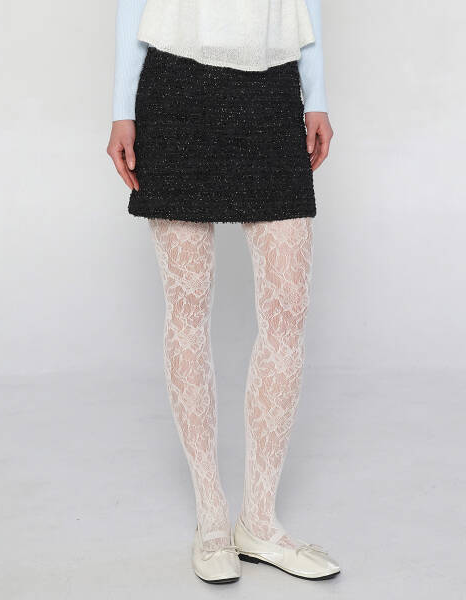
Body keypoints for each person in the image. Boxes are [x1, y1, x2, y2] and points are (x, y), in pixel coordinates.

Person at [107, 0, 339, 584]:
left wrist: (315, 95)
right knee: (186, 313)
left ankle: (259, 521)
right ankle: (212, 518)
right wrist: (121, 109)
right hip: (175, 87)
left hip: (273, 86)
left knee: (287, 313)